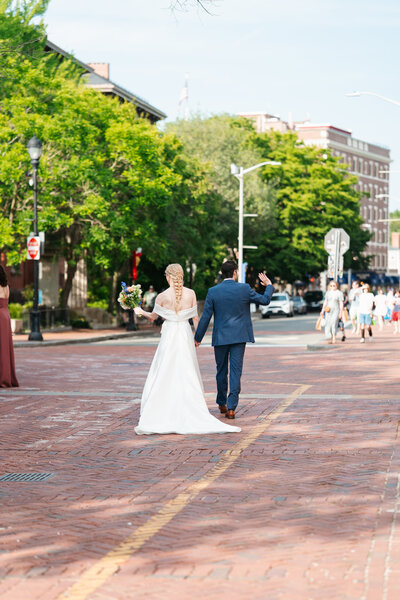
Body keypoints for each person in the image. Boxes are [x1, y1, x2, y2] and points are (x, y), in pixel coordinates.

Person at [133, 263, 240, 435]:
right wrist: (197, 338)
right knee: (186, 370)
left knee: (165, 369)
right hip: (183, 335)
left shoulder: (162, 296)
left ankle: (162, 407)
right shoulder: (190, 294)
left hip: (169, 336)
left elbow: (153, 317)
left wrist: (139, 311)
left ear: (168, 276)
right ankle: (189, 406)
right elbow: (196, 318)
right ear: (181, 276)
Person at [194, 260, 274, 420]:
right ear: (235, 273)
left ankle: (222, 403)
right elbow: (265, 300)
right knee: (236, 372)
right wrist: (269, 285)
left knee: (221, 371)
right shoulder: (244, 289)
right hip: (239, 337)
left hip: (221, 337)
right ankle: (231, 408)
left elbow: (206, 317)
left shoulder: (213, 291)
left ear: (222, 273)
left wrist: (198, 338)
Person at [0, 265, 19, 388]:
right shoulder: (6, 286)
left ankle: (3, 379)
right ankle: (7, 377)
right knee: (5, 347)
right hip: (5, 315)